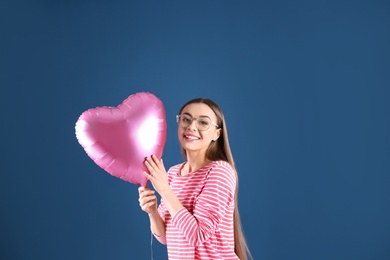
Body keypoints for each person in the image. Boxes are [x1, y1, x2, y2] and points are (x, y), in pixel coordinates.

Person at [138, 98, 252, 260]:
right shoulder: (172, 173)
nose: (191, 127)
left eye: (203, 123)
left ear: (216, 133)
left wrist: (164, 190)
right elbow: (165, 238)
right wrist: (153, 211)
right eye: (186, 119)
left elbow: (197, 235)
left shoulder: (220, 172)